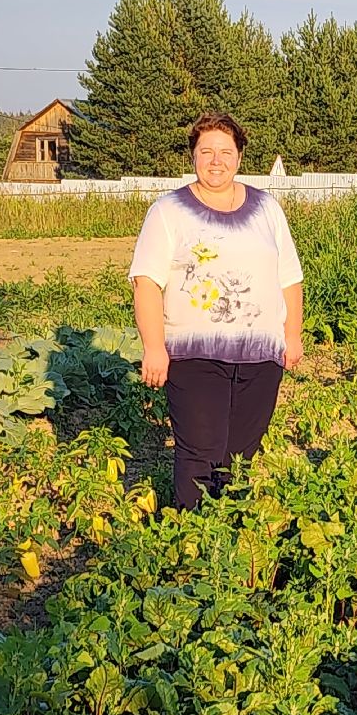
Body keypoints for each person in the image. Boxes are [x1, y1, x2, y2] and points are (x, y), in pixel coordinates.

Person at [128, 112, 304, 509]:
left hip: (261, 355)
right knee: (200, 453)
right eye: (206, 151)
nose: (216, 160)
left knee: (240, 457)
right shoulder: (168, 211)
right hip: (195, 355)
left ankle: (227, 533)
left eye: (225, 151)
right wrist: (154, 347)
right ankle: (192, 540)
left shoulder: (267, 210)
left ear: (239, 157)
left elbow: (290, 278)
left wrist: (292, 335)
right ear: (193, 156)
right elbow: (146, 283)